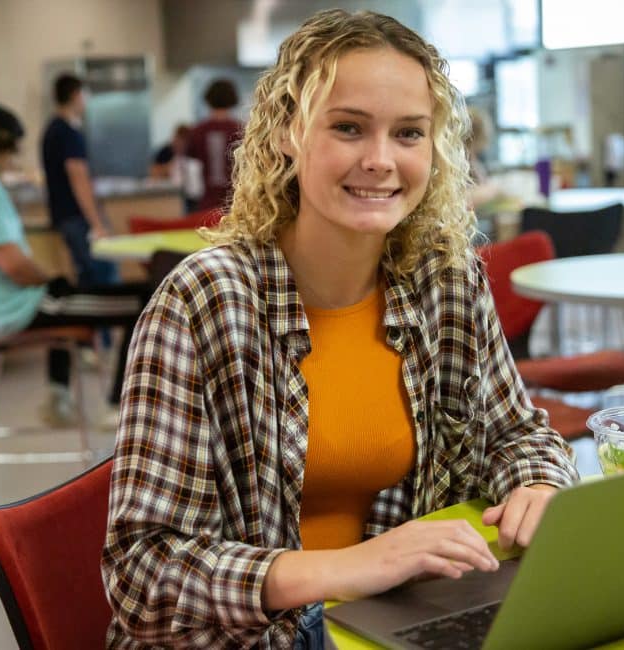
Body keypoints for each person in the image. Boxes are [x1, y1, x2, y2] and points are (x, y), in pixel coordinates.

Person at [102, 9, 578, 648]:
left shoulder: (447, 283)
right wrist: (351, 569)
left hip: (400, 623)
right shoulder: (203, 301)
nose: (380, 160)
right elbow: (143, 572)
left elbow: (518, 435)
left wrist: (541, 483)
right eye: (349, 128)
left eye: (409, 134)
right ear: (287, 134)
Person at [0, 105, 149, 427]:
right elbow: (13, 266)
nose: (9, 163)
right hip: (19, 309)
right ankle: (120, 409)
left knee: (65, 286)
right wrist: (49, 279)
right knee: (144, 301)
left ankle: (59, 397)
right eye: (9, 153)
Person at [41, 73, 116, 288]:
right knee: (101, 274)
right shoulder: (68, 133)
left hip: (65, 215)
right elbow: (78, 179)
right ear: (76, 95)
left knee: (86, 273)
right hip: (77, 216)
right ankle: (104, 322)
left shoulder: (52, 129)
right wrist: (97, 223)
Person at [186, 78, 243, 212]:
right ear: (233, 99)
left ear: (208, 99)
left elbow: (189, 171)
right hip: (237, 200)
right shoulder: (241, 130)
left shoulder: (197, 131)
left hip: (205, 202)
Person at [148, 123, 204, 212]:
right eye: (177, 140)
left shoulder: (193, 153)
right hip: (168, 196)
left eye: (183, 142)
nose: (178, 144)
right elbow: (153, 172)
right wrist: (171, 166)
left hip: (192, 196)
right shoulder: (166, 151)